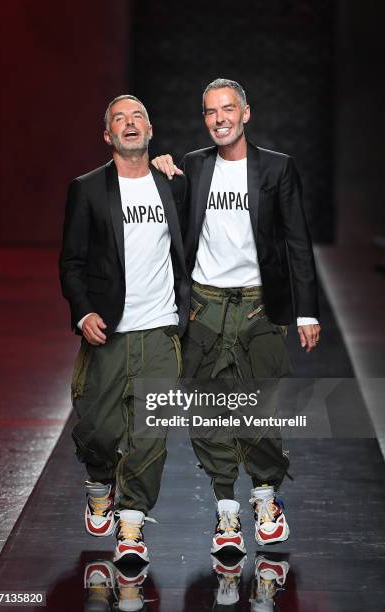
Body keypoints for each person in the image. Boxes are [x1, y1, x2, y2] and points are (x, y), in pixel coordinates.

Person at [152, 78, 320, 554]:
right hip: (204, 306)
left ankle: (266, 498)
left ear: (246, 113)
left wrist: (306, 310)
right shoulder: (192, 165)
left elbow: (297, 241)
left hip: (258, 307)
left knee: (259, 409)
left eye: (228, 109)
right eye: (210, 112)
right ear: (204, 119)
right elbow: (171, 217)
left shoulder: (277, 168)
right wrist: (161, 172)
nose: (220, 118)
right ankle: (227, 512)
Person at [59, 95, 189, 564]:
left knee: (149, 436)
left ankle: (131, 527)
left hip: (160, 329)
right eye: (119, 119)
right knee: (98, 427)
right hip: (108, 331)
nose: (129, 124)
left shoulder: (172, 184)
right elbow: (72, 262)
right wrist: (83, 311)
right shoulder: (89, 188)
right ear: (108, 135)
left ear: (150, 130)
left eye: (137, 117)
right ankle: (99, 479)